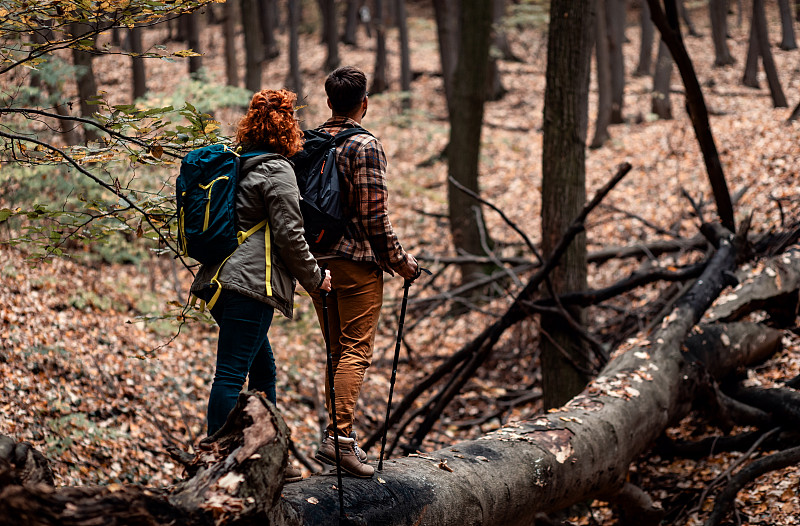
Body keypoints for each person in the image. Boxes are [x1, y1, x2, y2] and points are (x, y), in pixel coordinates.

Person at [190, 88, 331, 482]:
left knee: (263, 371)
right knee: (231, 374)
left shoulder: (238, 163)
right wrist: (317, 278)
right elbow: (290, 233)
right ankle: (216, 461)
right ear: (288, 127)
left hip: (221, 282)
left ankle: (266, 459)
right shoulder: (277, 169)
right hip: (248, 286)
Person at [308, 66, 418, 478]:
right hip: (355, 264)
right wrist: (401, 262)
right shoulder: (365, 146)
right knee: (354, 351)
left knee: (336, 353)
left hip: (318, 263)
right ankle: (340, 442)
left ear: (329, 101)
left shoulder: (312, 141)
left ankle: (335, 438)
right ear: (364, 103)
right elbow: (375, 216)